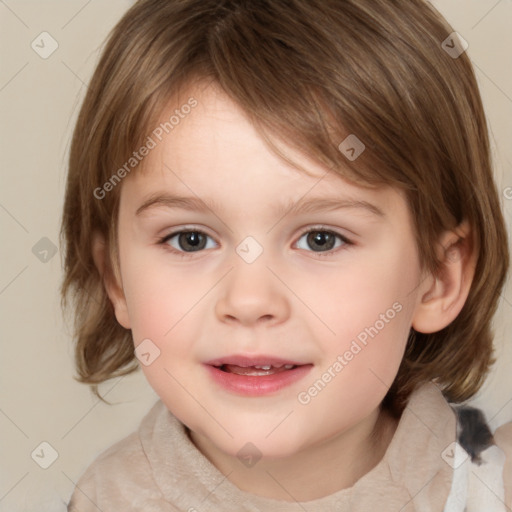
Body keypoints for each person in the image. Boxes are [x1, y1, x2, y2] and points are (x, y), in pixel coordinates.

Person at [61, 0, 512, 510]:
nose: (250, 301)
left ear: (439, 277)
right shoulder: (107, 500)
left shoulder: (489, 485)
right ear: (116, 278)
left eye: (321, 239)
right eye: (190, 239)